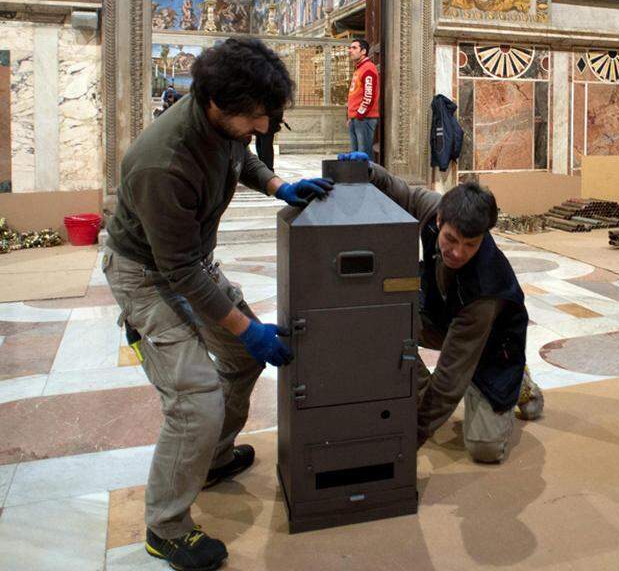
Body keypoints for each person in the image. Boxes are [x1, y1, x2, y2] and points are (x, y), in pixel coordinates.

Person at [103, 38, 333, 571]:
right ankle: (166, 528)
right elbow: (178, 273)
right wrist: (246, 328)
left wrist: (280, 185)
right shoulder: (161, 163)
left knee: (239, 360)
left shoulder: (222, 121)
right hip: (145, 274)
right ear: (216, 105)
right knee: (196, 400)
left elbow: (241, 158)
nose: (263, 127)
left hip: (191, 259)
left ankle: (210, 460)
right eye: (256, 117)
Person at [339, 151, 544, 462]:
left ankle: (519, 381)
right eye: (451, 239)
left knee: (483, 448)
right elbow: (400, 190)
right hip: (442, 317)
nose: (458, 252)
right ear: (439, 220)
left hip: (490, 345)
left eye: (470, 245)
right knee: (384, 322)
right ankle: (422, 393)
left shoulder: (485, 290)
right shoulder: (434, 209)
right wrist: (367, 170)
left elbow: (449, 378)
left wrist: (410, 439)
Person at [346, 38, 380, 155]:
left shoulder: (368, 68)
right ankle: (357, 174)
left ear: (363, 51)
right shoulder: (359, 69)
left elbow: (368, 95)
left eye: (354, 48)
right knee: (355, 155)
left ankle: (365, 174)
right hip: (356, 118)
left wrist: (360, 115)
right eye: (350, 48)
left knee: (363, 154)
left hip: (364, 118)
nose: (350, 50)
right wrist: (351, 117)